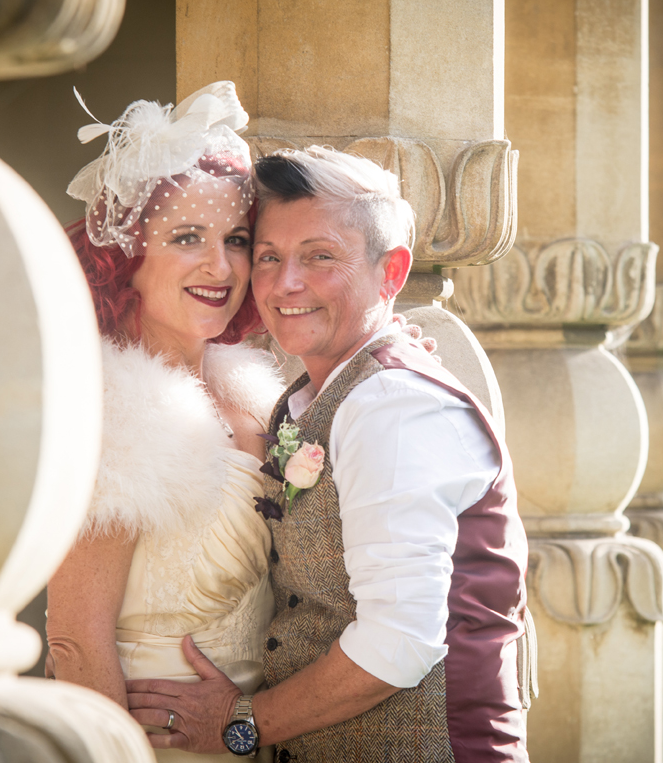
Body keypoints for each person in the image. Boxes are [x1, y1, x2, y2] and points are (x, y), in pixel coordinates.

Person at [125, 147, 534, 762]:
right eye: (269, 257)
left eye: (320, 256)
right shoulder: (322, 396)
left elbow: (401, 639)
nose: (285, 283)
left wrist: (241, 723)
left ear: (391, 273)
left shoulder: (393, 405)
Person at [45, 82, 284, 762]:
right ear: (127, 258)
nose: (221, 265)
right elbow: (77, 643)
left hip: (261, 735)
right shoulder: (114, 410)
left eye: (237, 240)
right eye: (187, 238)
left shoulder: (257, 393)